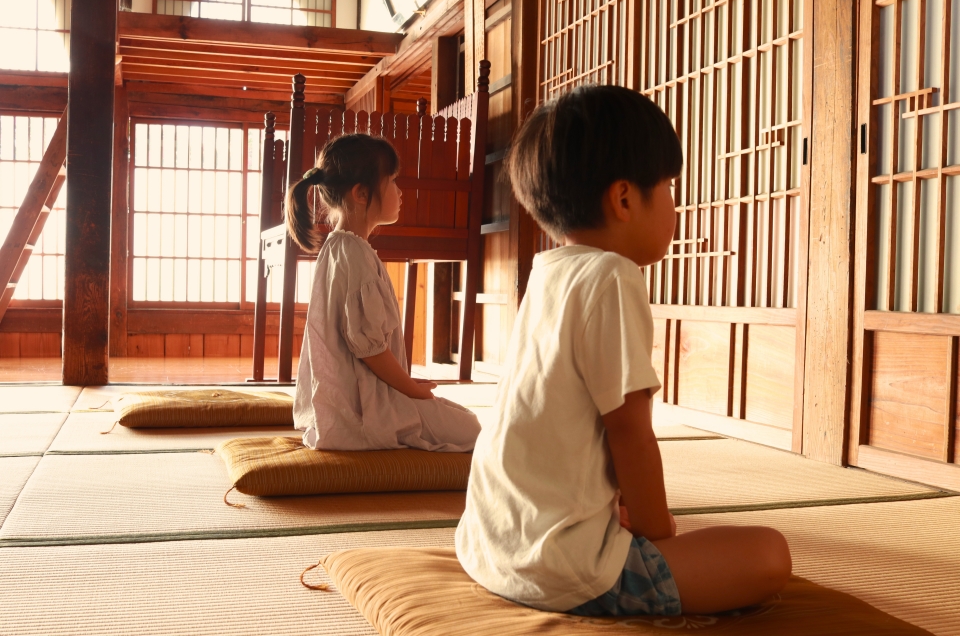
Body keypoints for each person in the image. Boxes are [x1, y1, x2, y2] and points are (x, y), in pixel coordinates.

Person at [455, 86, 792, 617]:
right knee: (770, 554)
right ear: (625, 199)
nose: (675, 205)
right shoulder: (612, 276)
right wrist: (662, 534)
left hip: (489, 544)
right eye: (669, 187)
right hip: (566, 568)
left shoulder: (547, 274)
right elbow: (628, 431)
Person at [285, 132, 481, 452]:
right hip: (363, 415)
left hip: (346, 409)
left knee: (458, 416)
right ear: (361, 193)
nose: (400, 192)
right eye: (392, 181)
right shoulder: (354, 254)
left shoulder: (341, 246)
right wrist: (412, 391)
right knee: (471, 427)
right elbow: (371, 350)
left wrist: (409, 387)